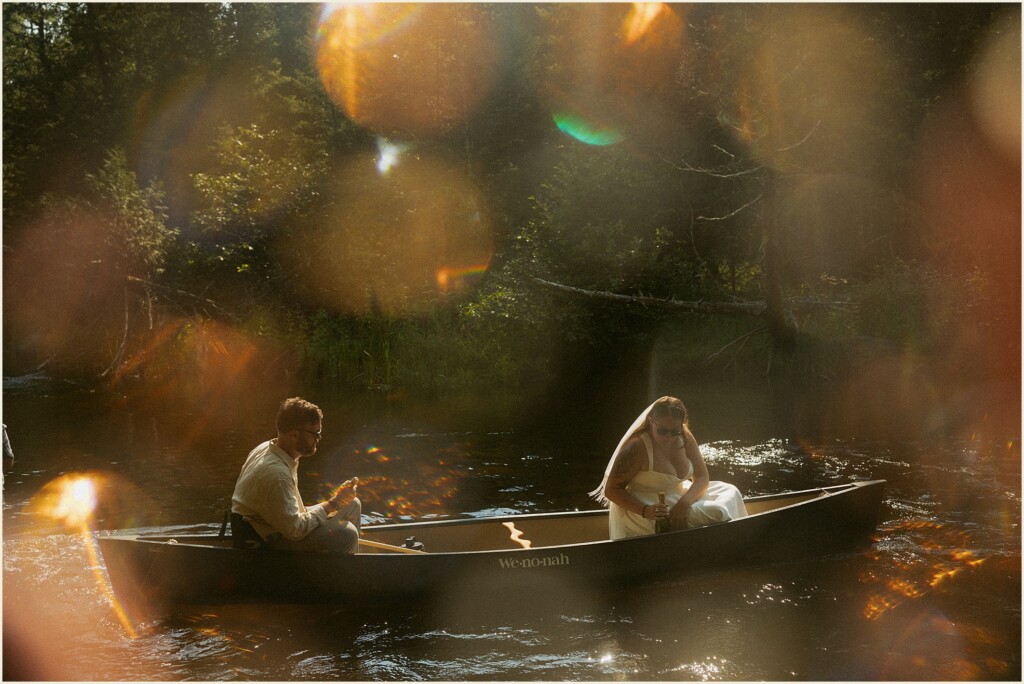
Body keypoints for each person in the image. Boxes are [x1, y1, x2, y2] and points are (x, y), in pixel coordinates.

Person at [590, 396, 747, 540]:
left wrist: (684, 504)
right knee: (718, 512)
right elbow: (611, 490)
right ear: (651, 421)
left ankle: (735, 541)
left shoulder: (684, 436)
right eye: (662, 431)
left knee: (731, 490)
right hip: (651, 509)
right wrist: (645, 510)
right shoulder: (636, 448)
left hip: (680, 497)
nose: (669, 437)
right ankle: (729, 545)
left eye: (675, 431)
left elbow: (702, 477)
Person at [231, 397, 362, 553]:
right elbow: (296, 530)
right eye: (315, 433)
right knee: (348, 535)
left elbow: (293, 517)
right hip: (266, 542)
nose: (318, 438)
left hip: (280, 524)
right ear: (294, 435)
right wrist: (334, 503)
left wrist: (339, 501)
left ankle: (351, 561)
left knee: (352, 504)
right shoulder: (276, 474)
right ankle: (342, 573)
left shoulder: (269, 448)